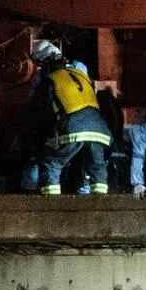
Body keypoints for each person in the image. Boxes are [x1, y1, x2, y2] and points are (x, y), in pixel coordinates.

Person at [31, 41, 112, 195]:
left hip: (73, 128)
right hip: (100, 129)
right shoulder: (81, 74)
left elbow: (43, 112)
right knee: (97, 167)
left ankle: (51, 205)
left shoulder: (50, 80)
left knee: (52, 162)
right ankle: (101, 206)